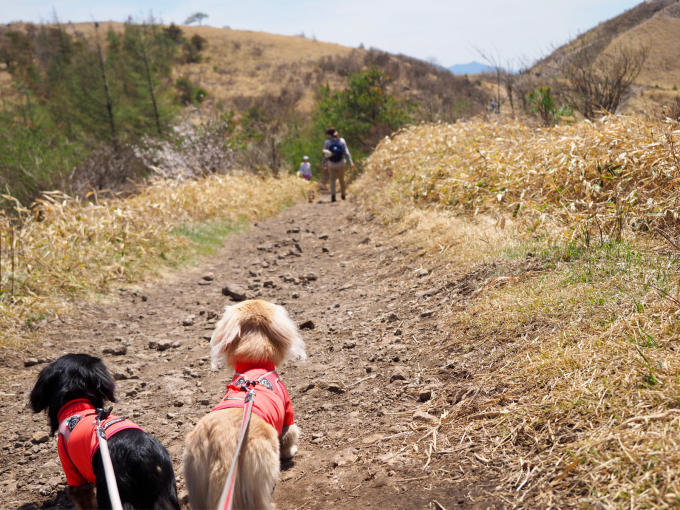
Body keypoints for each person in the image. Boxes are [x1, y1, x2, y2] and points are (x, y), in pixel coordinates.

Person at [321, 127, 354, 202]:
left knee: (332, 180)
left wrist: (323, 164)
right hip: (341, 163)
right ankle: (343, 195)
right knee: (341, 179)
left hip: (331, 164)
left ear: (329, 134)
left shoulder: (327, 142)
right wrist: (351, 162)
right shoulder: (342, 140)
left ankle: (333, 196)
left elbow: (324, 154)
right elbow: (346, 152)